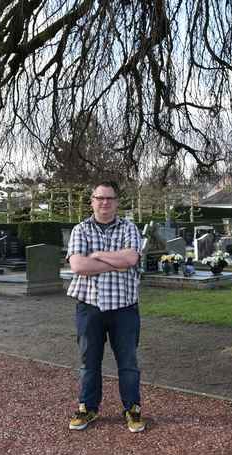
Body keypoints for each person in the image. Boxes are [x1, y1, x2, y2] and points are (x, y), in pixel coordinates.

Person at [65, 180, 145, 433]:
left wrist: (97, 256)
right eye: (100, 198)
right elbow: (78, 266)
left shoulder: (129, 228)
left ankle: (132, 408)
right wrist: (116, 262)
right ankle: (88, 407)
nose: (105, 202)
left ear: (117, 202)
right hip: (89, 308)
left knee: (128, 363)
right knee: (89, 362)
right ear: (92, 201)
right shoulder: (80, 230)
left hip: (124, 308)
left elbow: (131, 258)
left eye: (109, 198)